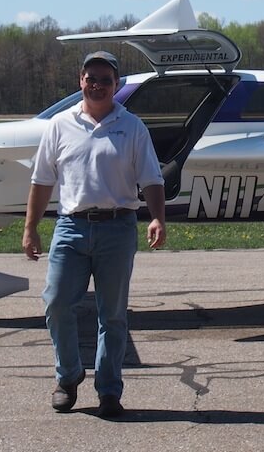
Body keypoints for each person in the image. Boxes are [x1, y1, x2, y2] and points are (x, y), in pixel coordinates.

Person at [22, 50, 167, 419]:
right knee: (56, 303)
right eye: (91, 78)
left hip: (118, 228)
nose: (98, 85)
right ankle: (68, 377)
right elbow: (41, 180)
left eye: (106, 80)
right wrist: (30, 228)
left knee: (113, 315)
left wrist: (157, 218)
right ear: (80, 80)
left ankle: (109, 391)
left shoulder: (132, 126)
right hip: (71, 228)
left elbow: (151, 177)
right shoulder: (59, 125)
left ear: (116, 86)